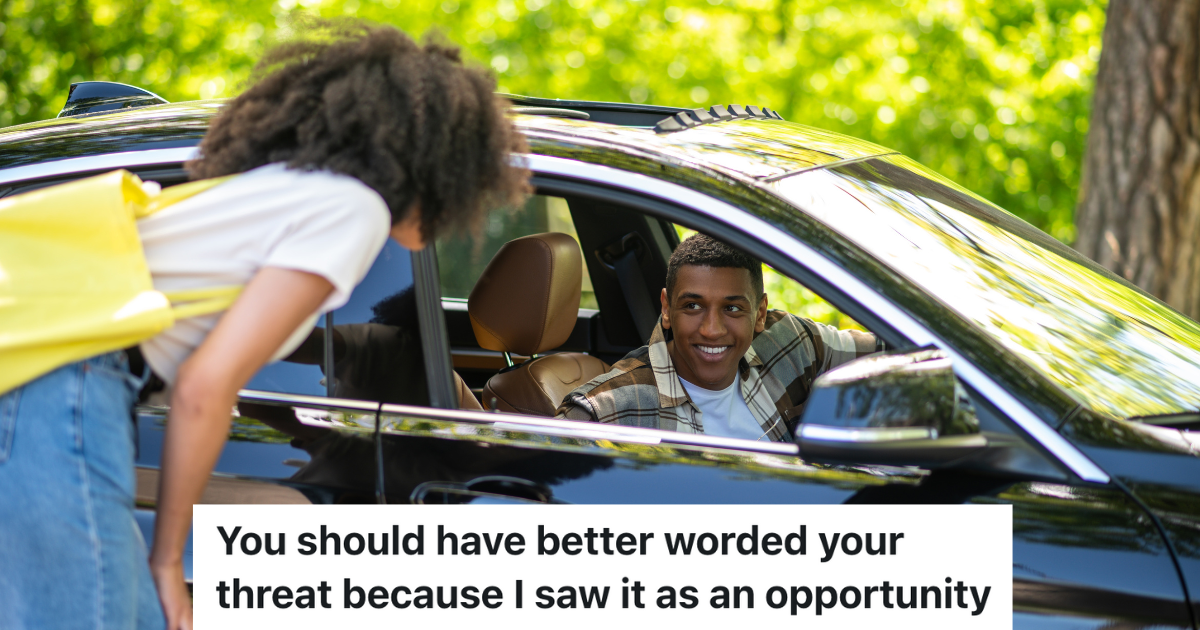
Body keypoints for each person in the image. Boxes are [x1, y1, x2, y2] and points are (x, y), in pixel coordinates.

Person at [0, 19, 528, 630]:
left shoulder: (308, 190)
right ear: (437, 166)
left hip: (62, 366)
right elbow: (204, 385)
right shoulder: (353, 212)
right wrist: (170, 561)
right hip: (63, 379)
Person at [556, 234, 883, 441]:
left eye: (732, 308)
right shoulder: (605, 411)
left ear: (759, 314)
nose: (712, 329)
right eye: (693, 305)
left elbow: (900, 354)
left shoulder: (789, 341)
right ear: (667, 309)